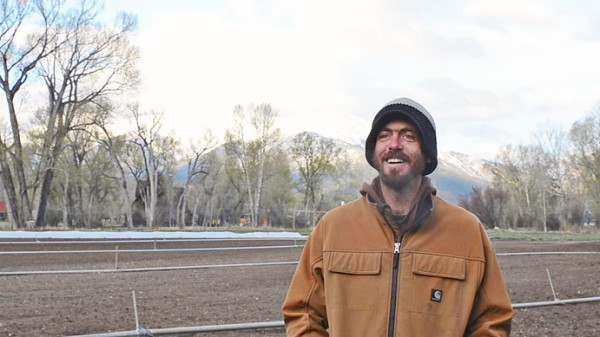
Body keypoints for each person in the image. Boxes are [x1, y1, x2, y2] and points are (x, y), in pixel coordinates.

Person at [281, 98, 513, 336]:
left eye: (408, 136)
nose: (394, 144)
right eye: (384, 135)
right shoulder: (332, 227)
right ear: (373, 154)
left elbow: (493, 320)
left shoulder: (467, 231)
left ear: (428, 155)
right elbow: (303, 313)